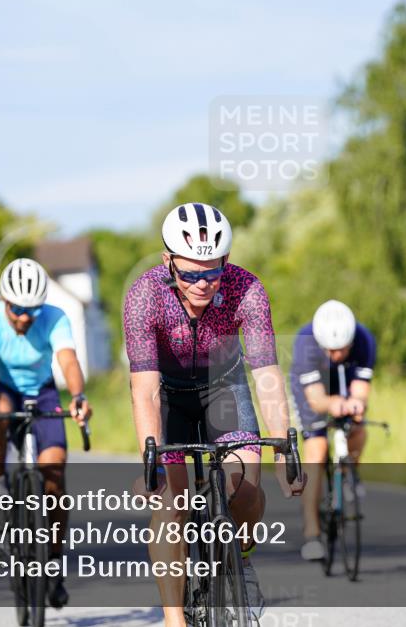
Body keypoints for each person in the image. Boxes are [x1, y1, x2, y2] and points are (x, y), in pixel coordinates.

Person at [124, 202, 304, 627]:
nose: (203, 283)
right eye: (190, 273)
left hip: (223, 386)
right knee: (173, 503)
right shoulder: (144, 296)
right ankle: (174, 619)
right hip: (167, 394)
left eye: (212, 270)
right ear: (168, 261)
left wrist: (284, 449)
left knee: (243, 484)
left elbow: (266, 374)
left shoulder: (247, 288)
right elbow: (145, 391)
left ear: (226, 260)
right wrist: (151, 462)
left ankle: (238, 556)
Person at [0, 258, 91, 608]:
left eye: (32, 310)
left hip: (43, 392)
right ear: (4, 300)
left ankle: (53, 562)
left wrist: (78, 396)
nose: (24, 316)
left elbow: (68, 360)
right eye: (17, 308)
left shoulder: (54, 317)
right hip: (0, 386)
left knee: (54, 474)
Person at [288, 300, 375, 561]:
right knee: (317, 450)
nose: (336, 355)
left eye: (342, 349)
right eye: (331, 350)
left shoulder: (363, 339)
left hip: (343, 381)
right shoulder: (307, 342)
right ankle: (312, 535)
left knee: (358, 425)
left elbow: (360, 389)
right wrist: (333, 404)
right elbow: (316, 400)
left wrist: (356, 405)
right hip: (311, 390)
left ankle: (349, 473)